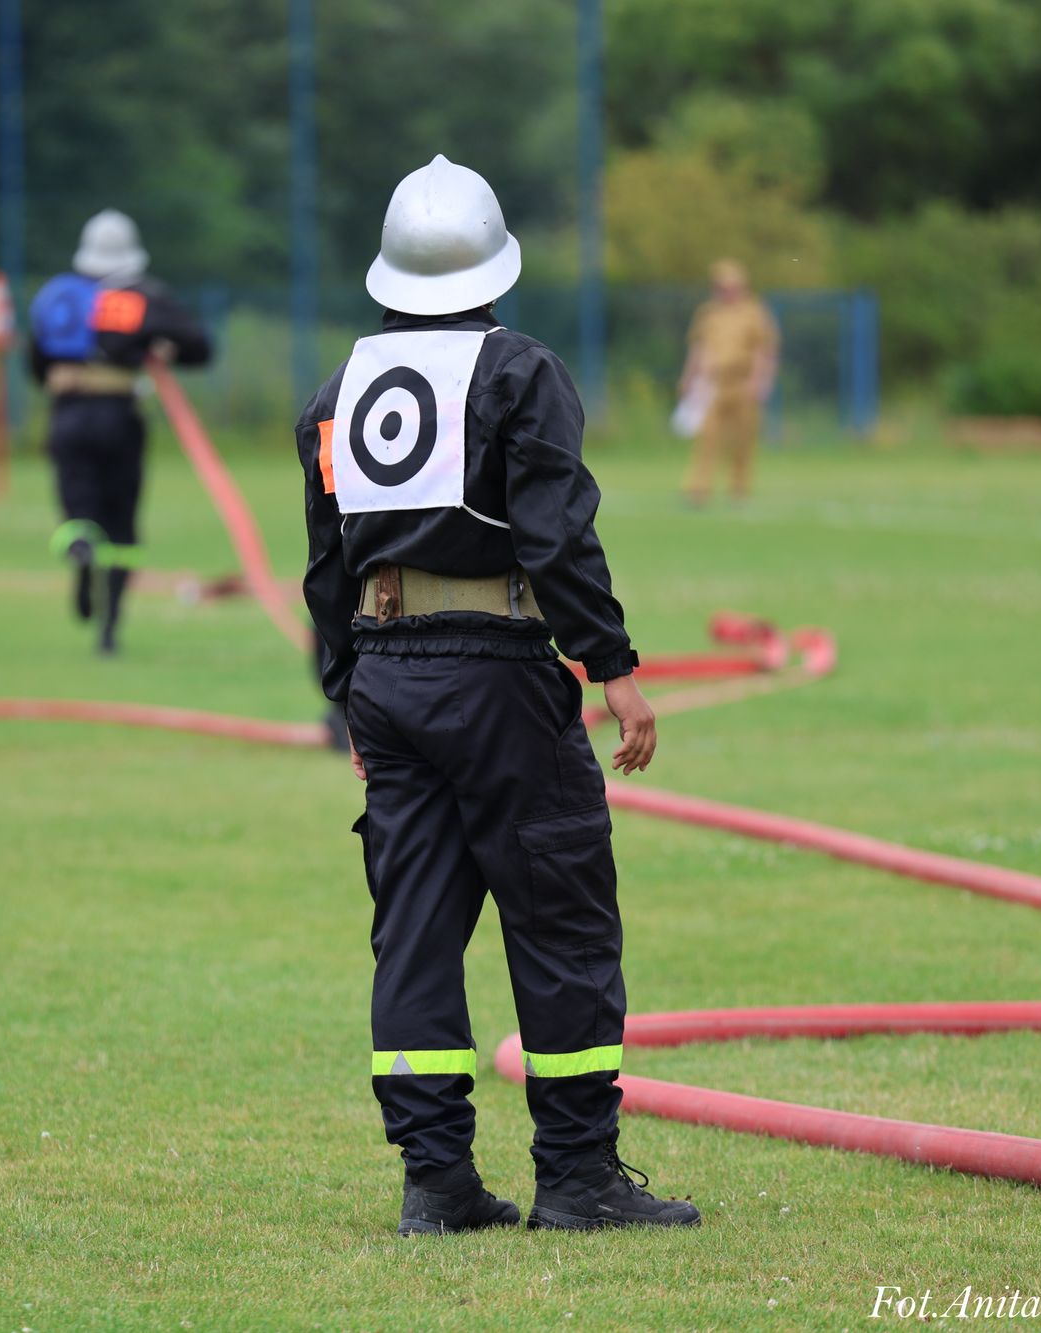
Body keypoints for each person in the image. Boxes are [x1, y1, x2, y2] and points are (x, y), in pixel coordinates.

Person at [297, 155, 700, 1236]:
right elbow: (556, 536)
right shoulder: (519, 374)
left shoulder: (338, 391)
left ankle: (434, 1181)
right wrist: (612, 667)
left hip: (384, 671)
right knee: (559, 915)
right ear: (492, 270)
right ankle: (576, 1178)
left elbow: (325, 566)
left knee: (415, 928)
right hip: (498, 671)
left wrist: (346, 693)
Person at [29, 210, 213, 655]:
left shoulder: (56, 297)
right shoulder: (144, 296)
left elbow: (36, 364)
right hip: (118, 418)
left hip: (67, 417)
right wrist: (160, 347)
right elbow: (200, 347)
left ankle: (79, 554)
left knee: (80, 511)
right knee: (121, 523)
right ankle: (109, 629)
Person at [679, 259, 779, 505]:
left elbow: (763, 351)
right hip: (713, 383)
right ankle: (699, 487)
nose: (724, 290)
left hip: (742, 382)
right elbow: (699, 348)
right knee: (707, 435)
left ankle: (739, 488)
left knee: (742, 439)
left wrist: (760, 381)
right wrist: (689, 378)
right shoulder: (709, 313)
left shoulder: (754, 312)